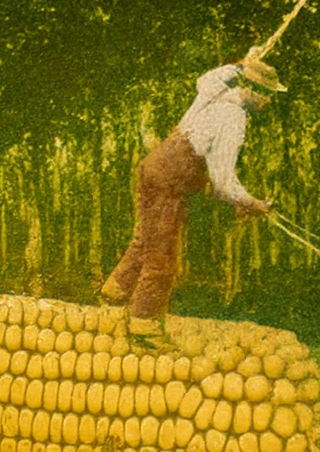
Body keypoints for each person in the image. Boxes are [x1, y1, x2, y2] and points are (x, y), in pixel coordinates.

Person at [101, 47, 281, 348]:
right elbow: (223, 181)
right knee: (163, 253)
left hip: (153, 169)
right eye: (265, 94)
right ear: (250, 90)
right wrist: (251, 203)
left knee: (146, 239)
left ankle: (115, 290)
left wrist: (242, 65)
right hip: (169, 183)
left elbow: (207, 78)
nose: (267, 102)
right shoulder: (233, 118)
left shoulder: (214, 92)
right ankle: (143, 324)